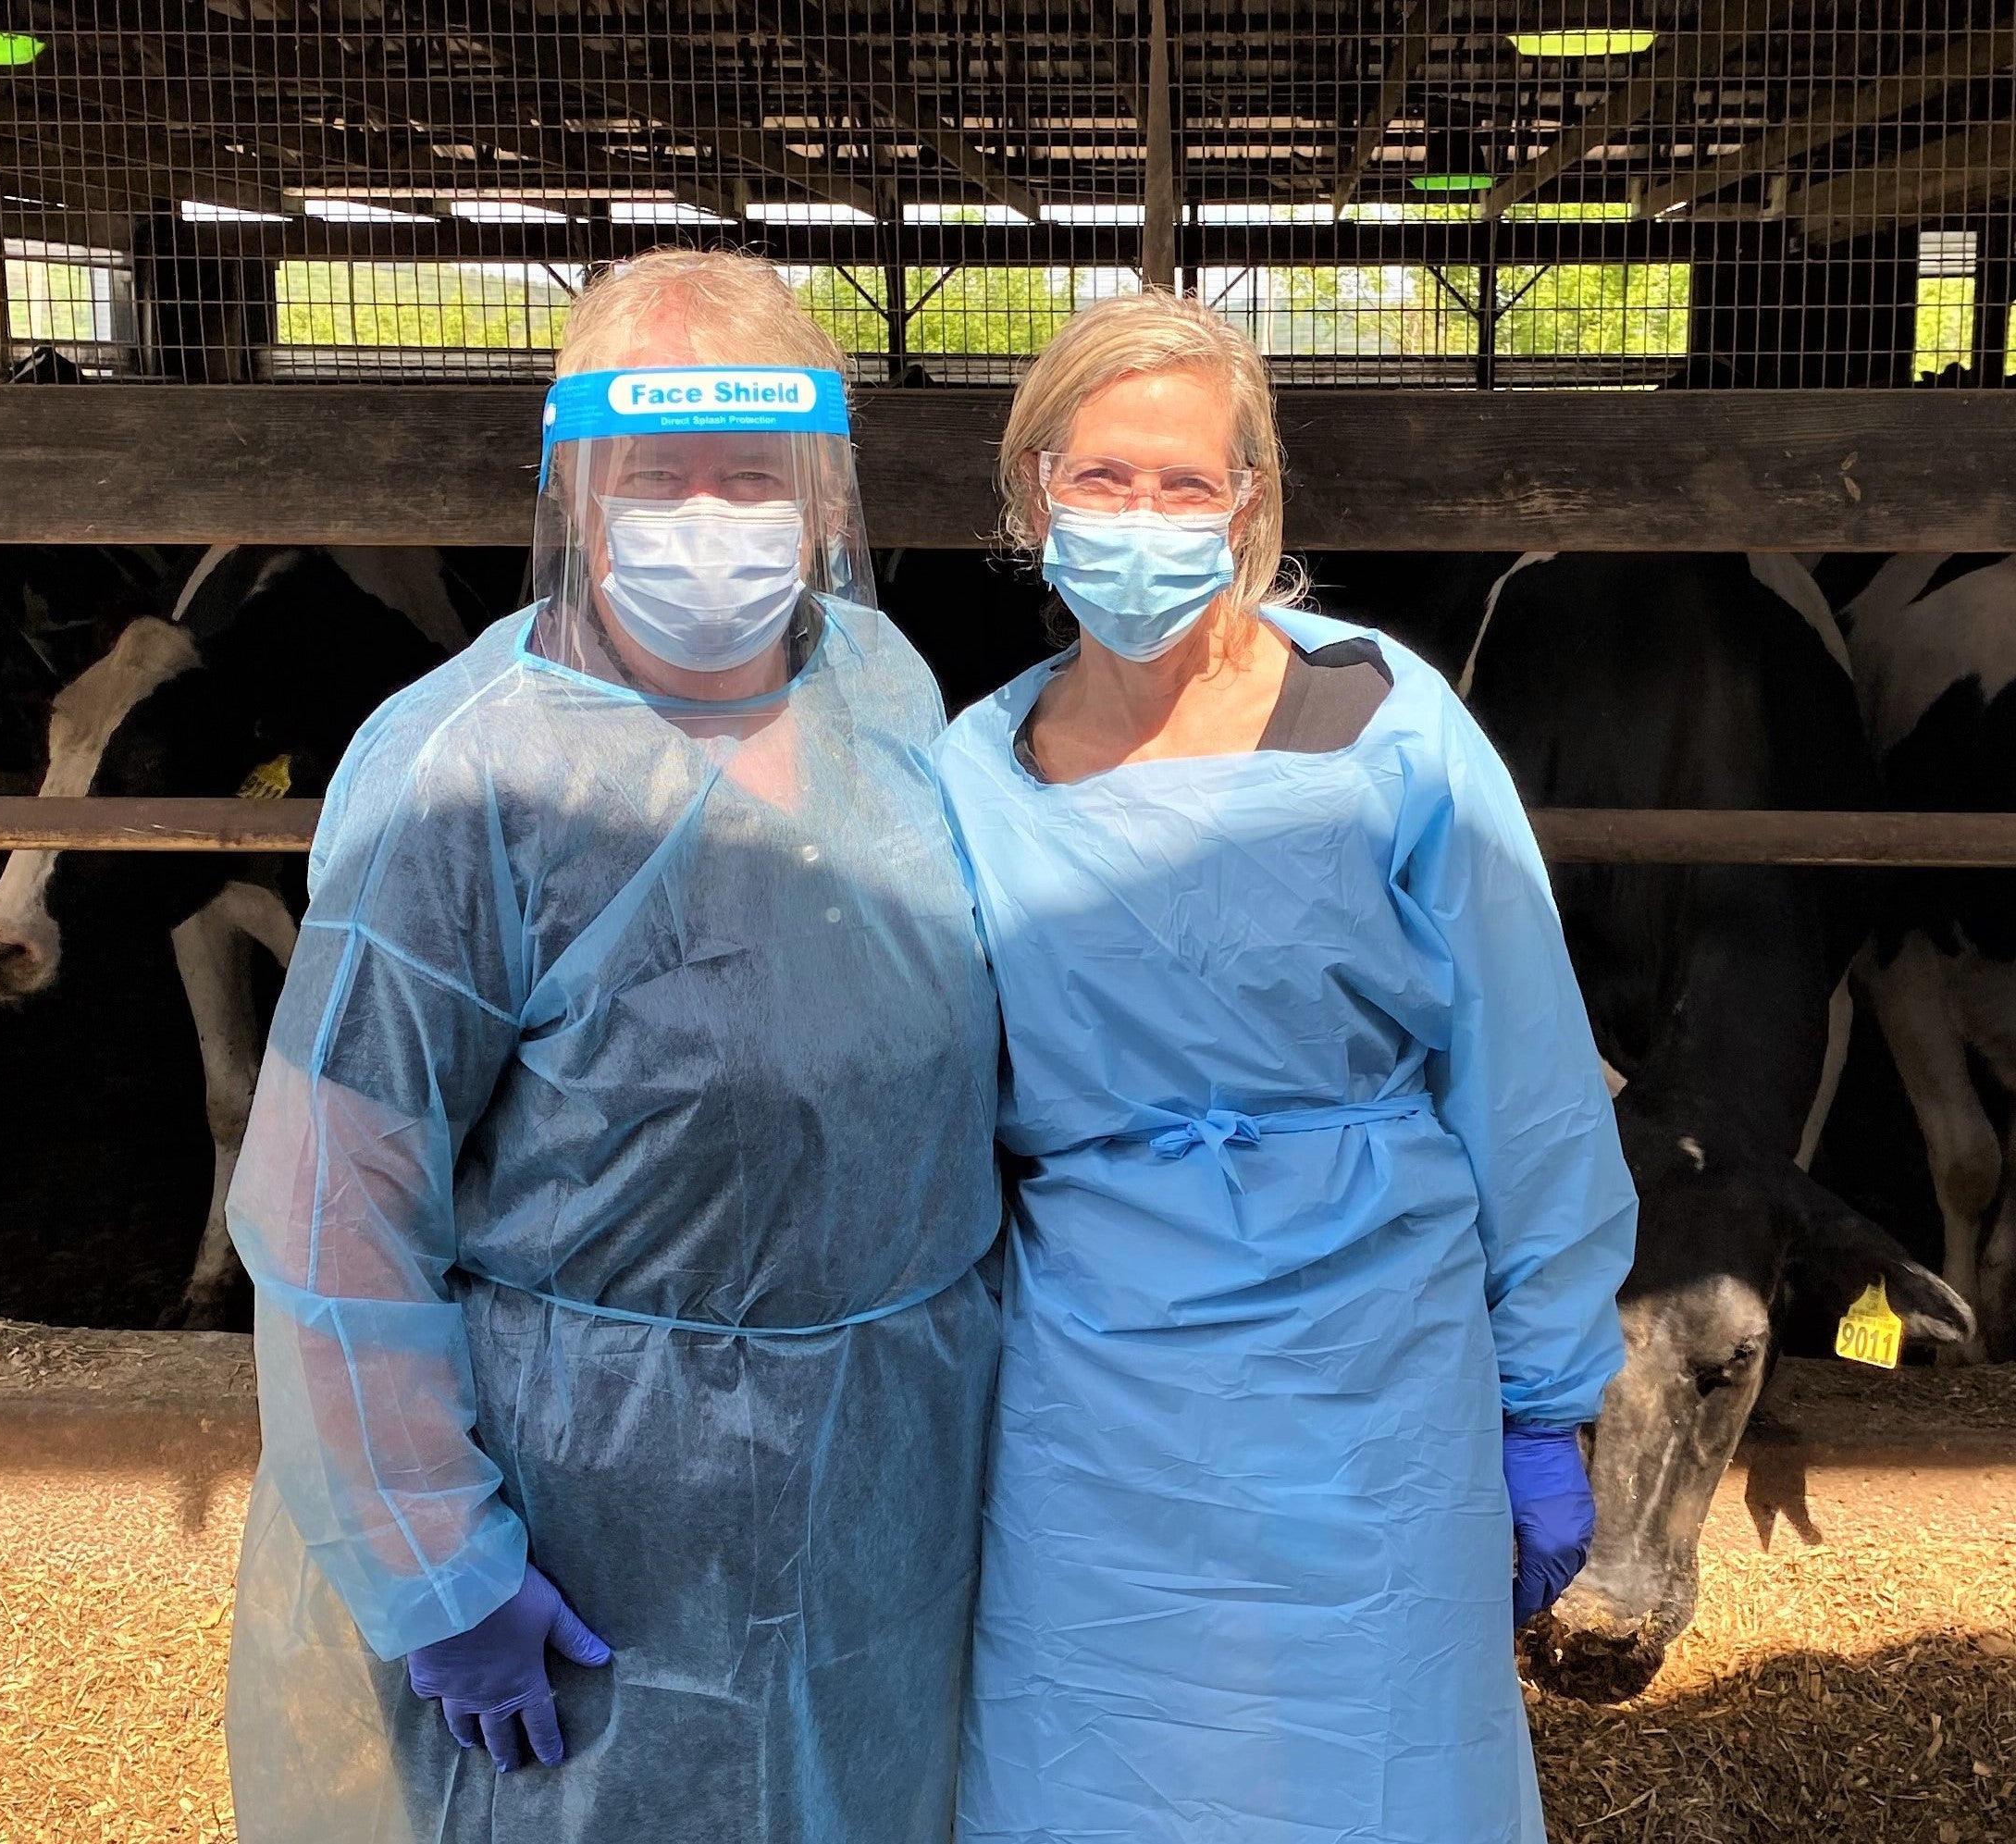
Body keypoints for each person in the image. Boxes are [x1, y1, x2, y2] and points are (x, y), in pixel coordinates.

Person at [221, 249, 1006, 1844]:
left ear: (827, 495)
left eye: (752, 476)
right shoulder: (463, 778)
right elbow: (331, 1210)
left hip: (892, 1480)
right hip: (599, 1514)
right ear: (574, 488)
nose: (709, 518)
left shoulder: (884, 687)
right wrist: (435, 1556)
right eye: (659, 476)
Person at [934, 291, 1637, 1844]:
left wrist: (1546, 1396)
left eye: (1188, 483)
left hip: (1370, 1368)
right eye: (1101, 477)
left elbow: (1521, 1070)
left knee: (1371, 1768)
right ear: (1027, 492)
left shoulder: (1382, 720)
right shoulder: (971, 773)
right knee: (1100, 1767)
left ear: (1251, 506)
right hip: (1095, 1385)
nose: (1144, 516)